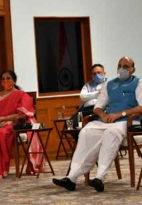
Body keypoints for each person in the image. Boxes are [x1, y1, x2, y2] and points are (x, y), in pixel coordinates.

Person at [53, 56, 142, 192]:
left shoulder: (138, 83)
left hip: (126, 120)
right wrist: (103, 115)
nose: (122, 69)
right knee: (86, 131)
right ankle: (71, 178)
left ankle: (99, 177)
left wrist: (120, 114)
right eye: (120, 65)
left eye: (126, 66)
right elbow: (98, 106)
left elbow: (141, 107)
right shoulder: (109, 84)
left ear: (133, 69)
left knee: (110, 133)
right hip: (106, 120)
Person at [0, 70, 43, 179]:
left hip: (13, 124)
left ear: (14, 81)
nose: (5, 81)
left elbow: (22, 115)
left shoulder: (21, 95)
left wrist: (4, 119)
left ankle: (4, 169)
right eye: (3, 79)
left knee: (1, 133)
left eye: (8, 78)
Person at [69, 64, 107, 140]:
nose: (97, 75)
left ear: (104, 73)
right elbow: (82, 97)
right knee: (70, 123)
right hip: (86, 109)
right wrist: (96, 94)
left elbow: (106, 96)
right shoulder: (88, 85)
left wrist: (90, 95)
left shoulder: (109, 84)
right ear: (92, 75)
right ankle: (79, 142)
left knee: (87, 123)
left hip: (99, 108)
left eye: (99, 72)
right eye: (94, 73)